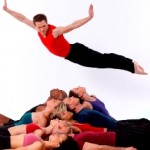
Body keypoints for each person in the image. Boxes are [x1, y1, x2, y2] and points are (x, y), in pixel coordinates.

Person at [3, 0, 147, 75]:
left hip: (76, 53)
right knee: (103, 61)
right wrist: (7, 10)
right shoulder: (37, 28)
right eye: (39, 27)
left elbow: (73, 25)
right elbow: (22, 19)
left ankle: (131, 65)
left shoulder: (55, 31)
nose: (42, 29)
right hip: (73, 55)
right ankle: (131, 64)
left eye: (44, 26)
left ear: (47, 23)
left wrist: (89, 18)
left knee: (103, 60)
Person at [52, 98, 117, 129]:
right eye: (69, 99)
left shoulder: (82, 114)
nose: (72, 97)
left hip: (116, 125)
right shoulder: (81, 117)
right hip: (115, 129)